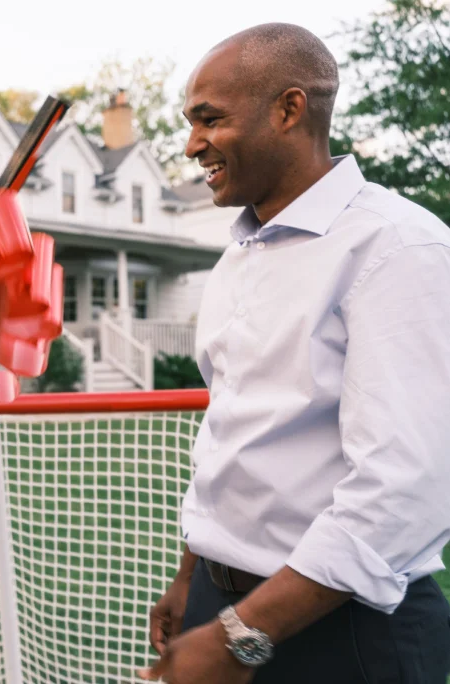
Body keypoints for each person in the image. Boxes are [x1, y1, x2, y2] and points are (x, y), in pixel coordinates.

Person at [139, 23, 450, 684]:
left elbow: (404, 490)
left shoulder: (396, 246)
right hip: (224, 605)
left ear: (287, 109)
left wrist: (237, 639)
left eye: (209, 119)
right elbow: (230, 431)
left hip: (344, 631)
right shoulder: (237, 252)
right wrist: (195, 575)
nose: (192, 144)